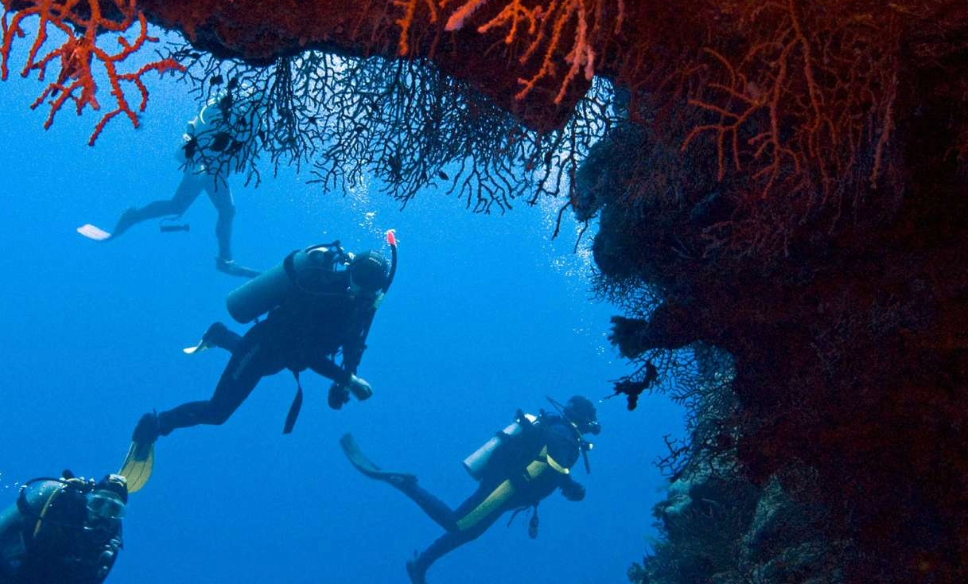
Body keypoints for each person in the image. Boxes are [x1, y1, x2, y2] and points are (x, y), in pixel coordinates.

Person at [127, 233, 399, 462]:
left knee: (267, 368)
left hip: (279, 357)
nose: (363, 286)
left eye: (372, 282)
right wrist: (348, 380)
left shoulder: (360, 307)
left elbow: (354, 343)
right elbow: (307, 355)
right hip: (262, 346)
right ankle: (157, 424)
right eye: (360, 276)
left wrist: (345, 379)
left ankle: (221, 335)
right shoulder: (325, 295)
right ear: (351, 270)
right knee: (217, 412)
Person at [341, 395, 601, 584]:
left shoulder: (560, 432)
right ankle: (407, 485)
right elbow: (552, 463)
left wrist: (568, 484)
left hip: (510, 490)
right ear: (582, 417)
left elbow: (550, 464)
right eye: (591, 420)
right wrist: (568, 483)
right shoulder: (564, 434)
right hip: (507, 487)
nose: (592, 426)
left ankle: (420, 565)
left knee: (469, 532)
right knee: (457, 524)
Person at [76, 86, 263, 278]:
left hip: (214, 166)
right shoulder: (231, 104)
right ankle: (223, 260)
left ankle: (224, 260)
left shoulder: (252, 112)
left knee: (195, 207)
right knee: (188, 207)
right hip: (201, 162)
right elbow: (205, 128)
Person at [0, 472, 128, 584]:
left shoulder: (107, 547)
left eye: (114, 509)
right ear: (86, 502)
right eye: (97, 504)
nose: (103, 514)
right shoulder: (58, 516)